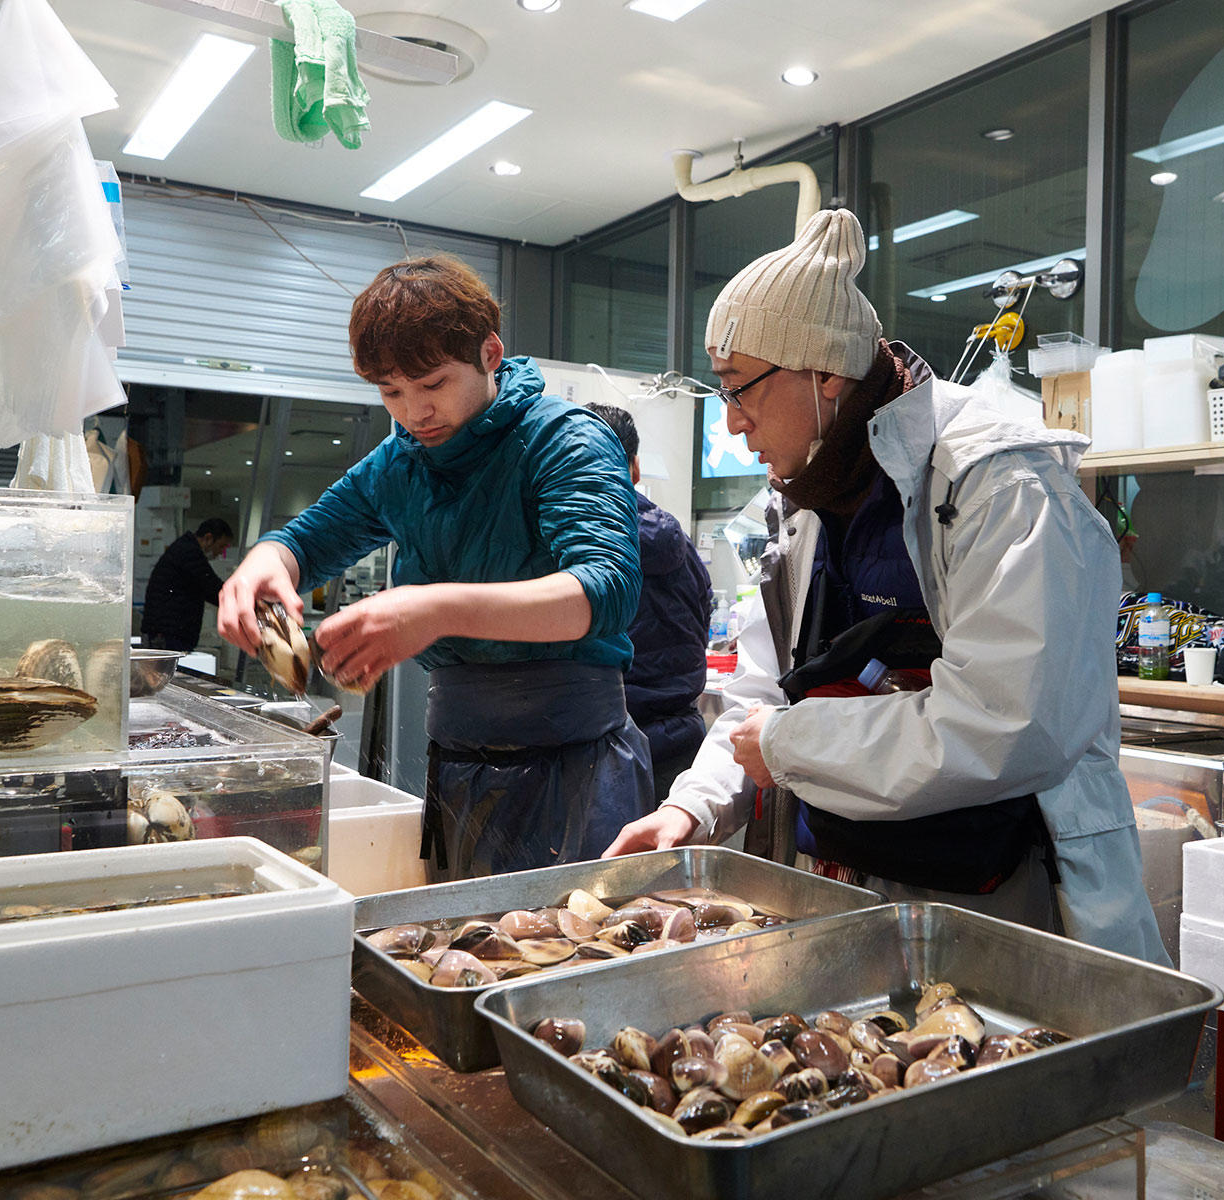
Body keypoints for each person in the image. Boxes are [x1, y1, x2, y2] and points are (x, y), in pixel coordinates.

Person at [603, 209, 1168, 964]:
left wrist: (790, 744)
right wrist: (692, 807)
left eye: (740, 390)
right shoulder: (803, 500)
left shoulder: (1002, 487)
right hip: (845, 881)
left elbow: (1005, 722)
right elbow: (765, 693)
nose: (733, 424)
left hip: (1001, 898)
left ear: (825, 374)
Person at [216, 255, 652, 879]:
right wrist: (266, 561)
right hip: (458, 766)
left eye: (433, 384)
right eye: (391, 392)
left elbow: (605, 589)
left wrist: (436, 609)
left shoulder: (562, 439)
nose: (414, 412)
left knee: (572, 932)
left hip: (575, 764)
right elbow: (304, 544)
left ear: (490, 353)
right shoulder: (401, 462)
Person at [585, 402, 713, 796]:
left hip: (607, 748)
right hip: (684, 744)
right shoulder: (682, 546)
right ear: (635, 468)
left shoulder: (575, 553)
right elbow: (702, 623)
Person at [140, 517, 235, 652]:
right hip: (169, 635)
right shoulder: (190, 552)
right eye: (221, 546)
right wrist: (245, 602)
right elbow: (212, 588)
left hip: (164, 631)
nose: (221, 552)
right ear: (208, 538)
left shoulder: (184, 547)